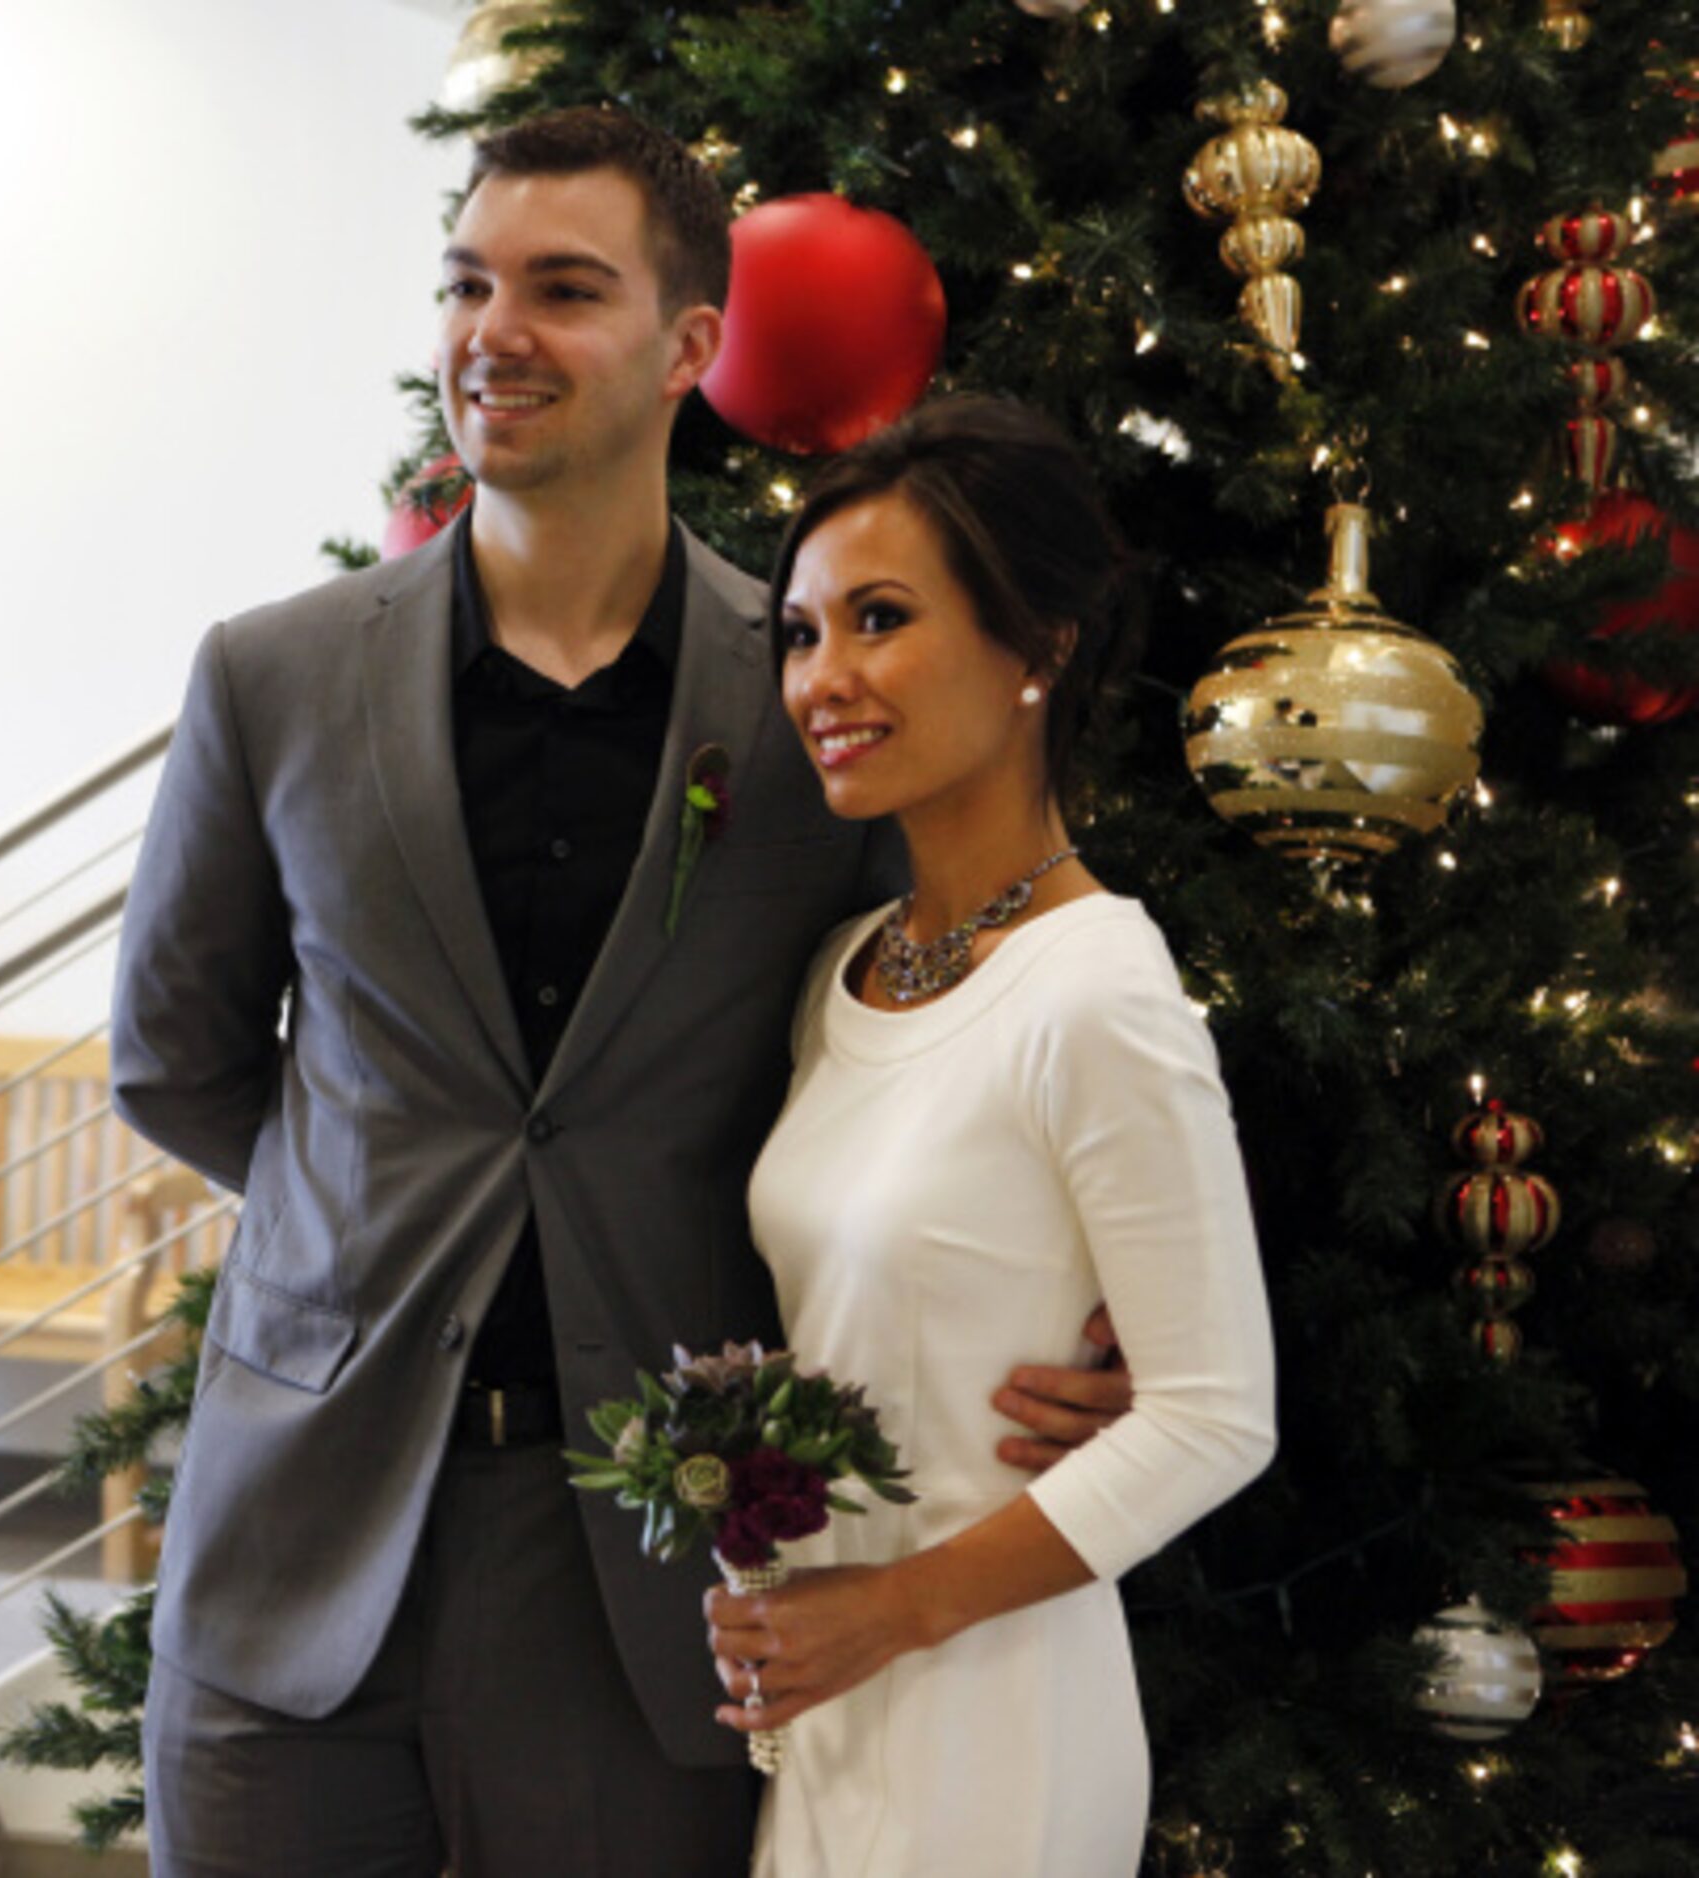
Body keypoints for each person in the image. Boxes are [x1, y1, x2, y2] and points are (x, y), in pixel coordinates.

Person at [111, 109, 1132, 1878]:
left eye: (562, 289)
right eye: (466, 284)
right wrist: (362, 1216)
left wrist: (1080, 1312)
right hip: (297, 1525)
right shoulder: (270, 676)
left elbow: (939, 1042)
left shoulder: (819, 695)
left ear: (689, 346)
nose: (492, 333)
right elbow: (179, 1058)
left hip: (661, 1568)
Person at [708, 396, 1279, 1875]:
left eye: (877, 618)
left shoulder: (1097, 987)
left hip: (990, 1714)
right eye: (797, 632)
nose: (821, 677)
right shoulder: (841, 974)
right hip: (824, 1704)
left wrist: (889, 1608)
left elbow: (1215, 1413)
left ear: (1036, 645)